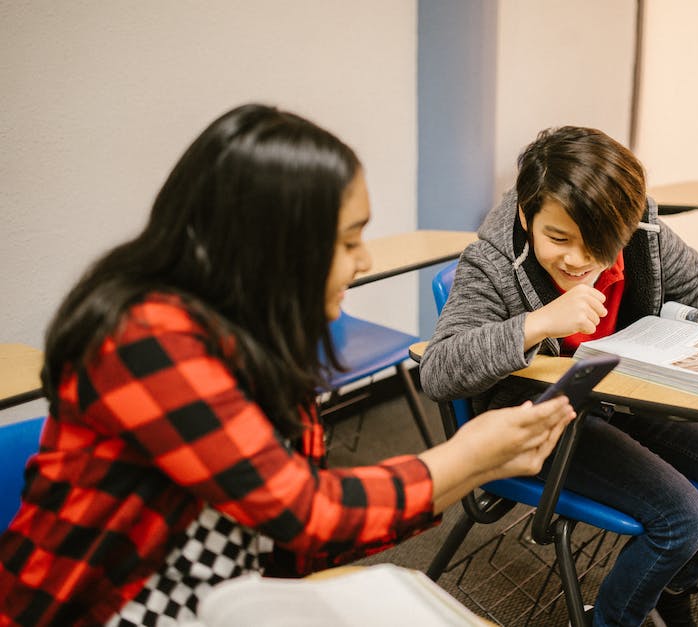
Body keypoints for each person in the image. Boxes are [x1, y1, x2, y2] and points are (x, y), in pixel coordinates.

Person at [0, 104, 576, 627]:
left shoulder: (253, 339)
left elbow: (298, 536)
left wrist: (478, 465)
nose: (365, 261)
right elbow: (307, 513)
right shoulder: (145, 339)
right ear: (272, 245)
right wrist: (466, 458)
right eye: (349, 241)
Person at [419, 126, 698, 627]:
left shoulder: (641, 228)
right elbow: (438, 369)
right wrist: (536, 324)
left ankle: (671, 585)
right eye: (558, 239)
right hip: (536, 421)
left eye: (600, 244)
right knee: (681, 518)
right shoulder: (492, 261)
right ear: (526, 215)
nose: (579, 260)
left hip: (621, 394)